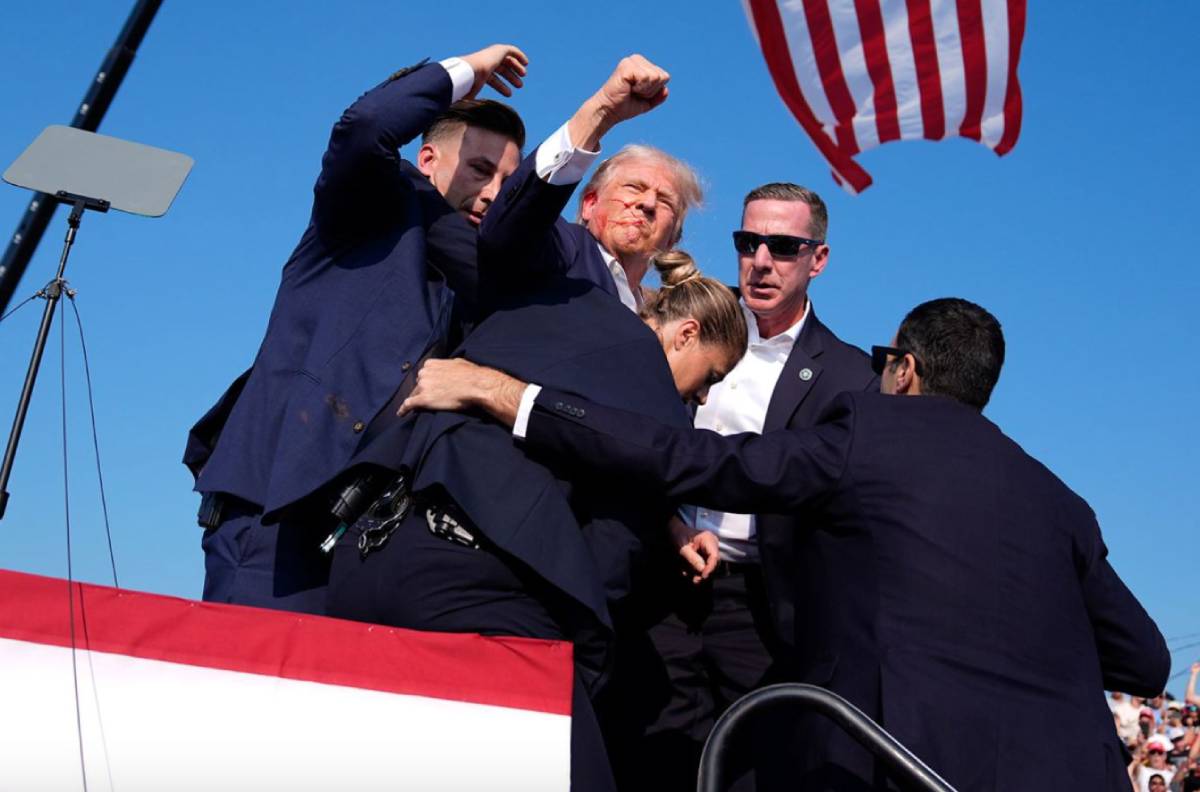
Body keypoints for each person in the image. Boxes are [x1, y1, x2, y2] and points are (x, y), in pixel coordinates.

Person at [400, 296, 1170, 791]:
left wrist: (508, 394)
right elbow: (1144, 659)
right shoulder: (1058, 499)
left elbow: (694, 460)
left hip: (895, 765)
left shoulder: (868, 434)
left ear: (903, 370)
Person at [327, 250, 746, 792]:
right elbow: (611, 559)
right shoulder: (656, 396)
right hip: (483, 600)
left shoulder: (556, 304)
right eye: (712, 374)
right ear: (685, 334)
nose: (705, 395)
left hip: (370, 557)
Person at [181, 45, 528, 613]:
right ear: (428, 160)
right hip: (277, 518)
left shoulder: (477, 282)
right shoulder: (364, 212)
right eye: (480, 170)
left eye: (506, 183)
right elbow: (365, 126)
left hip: (368, 541)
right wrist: (466, 70)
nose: (492, 193)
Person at [640, 183, 876, 791]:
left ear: (817, 260)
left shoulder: (852, 376)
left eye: (783, 246)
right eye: (749, 242)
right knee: (648, 757)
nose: (762, 260)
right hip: (661, 582)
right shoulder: (683, 327)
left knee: (750, 772)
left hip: (764, 612)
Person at [477, 57, 701, 312]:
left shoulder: (663, 319)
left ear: (673, 239)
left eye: (665, 201)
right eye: (633, 187)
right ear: (589, 204)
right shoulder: (562, 248)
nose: (648, 203)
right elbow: (508, 230)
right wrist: (602, 110)